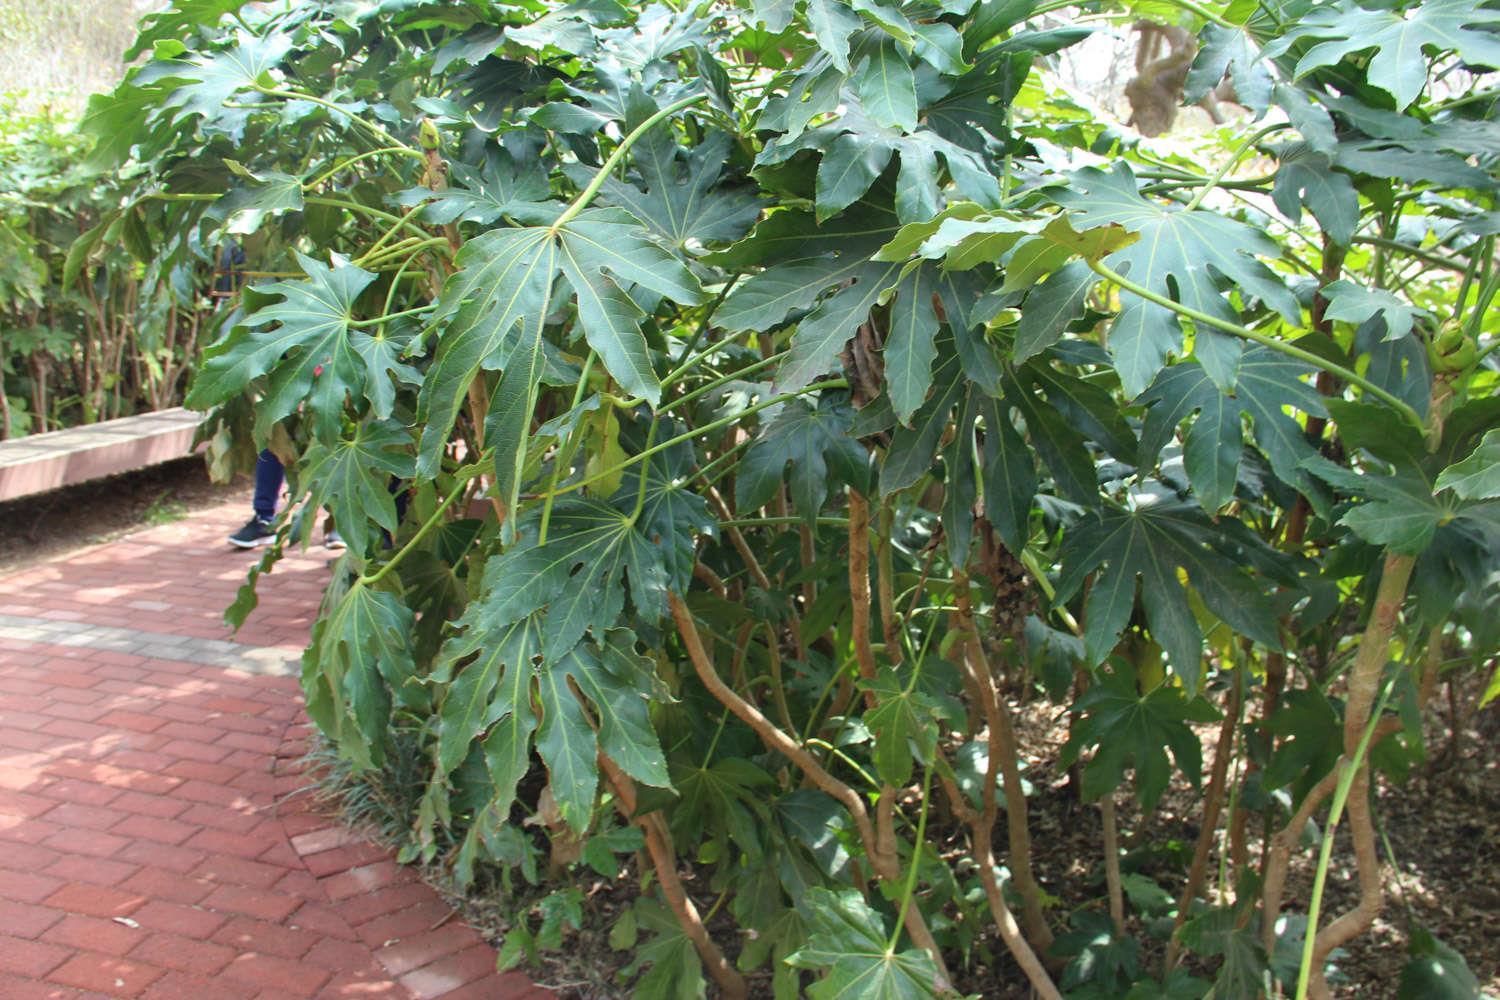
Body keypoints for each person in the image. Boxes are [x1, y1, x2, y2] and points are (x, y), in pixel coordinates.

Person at [213, 244, 344, 550]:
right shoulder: (268, 283)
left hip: (329, 361)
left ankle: (337, 520)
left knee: (335, 438)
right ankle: (264, 519)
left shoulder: (326, 273)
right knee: (272, 432)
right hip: (287, 363)